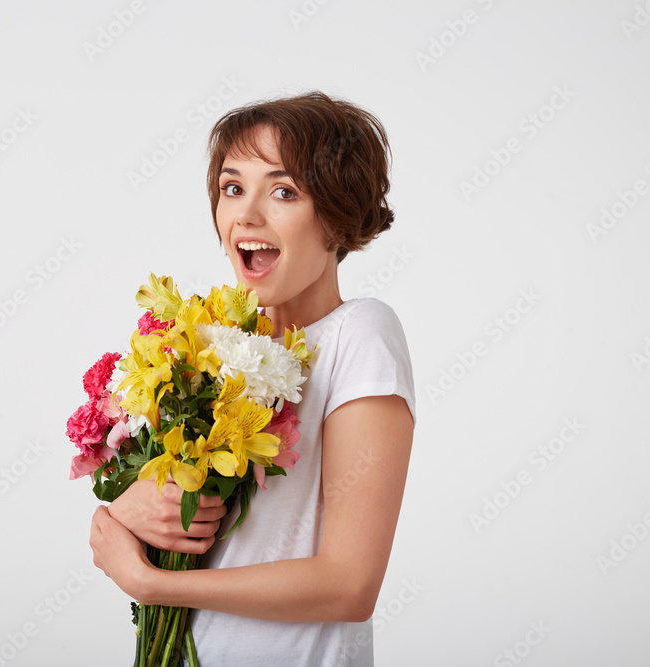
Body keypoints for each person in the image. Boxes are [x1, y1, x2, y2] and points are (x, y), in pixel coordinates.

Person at [90, 90, 416, 666]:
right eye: (233, 188)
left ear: (337, 219)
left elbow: (349, 585)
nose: (246, 214)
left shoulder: (359, 333)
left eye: (284, 191)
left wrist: (156, 586)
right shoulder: (212, 342)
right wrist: (125, 509)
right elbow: (186, 522)